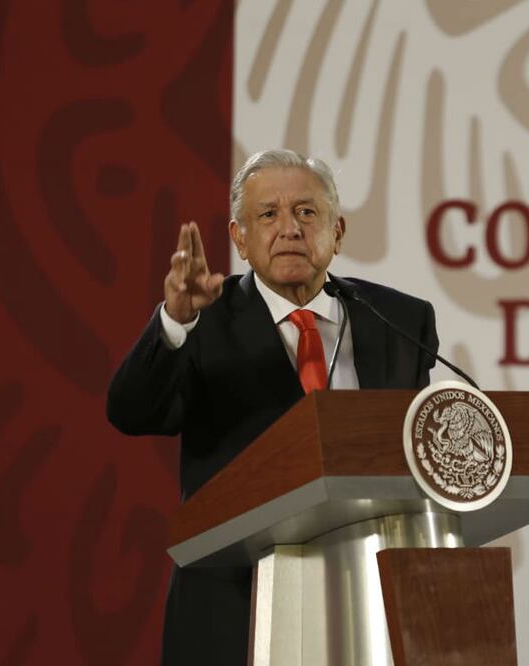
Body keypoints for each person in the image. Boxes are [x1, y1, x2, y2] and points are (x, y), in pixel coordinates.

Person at [107, 149, 438, 665]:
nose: (290, 229)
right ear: (240, 238)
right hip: (236, 603)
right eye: (269, 215)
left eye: (307, 212)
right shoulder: (203, 319)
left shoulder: (398, 319)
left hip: (370, 599)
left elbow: (418, 451)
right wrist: (174, 321)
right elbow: (132, 411)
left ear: (338, 231)